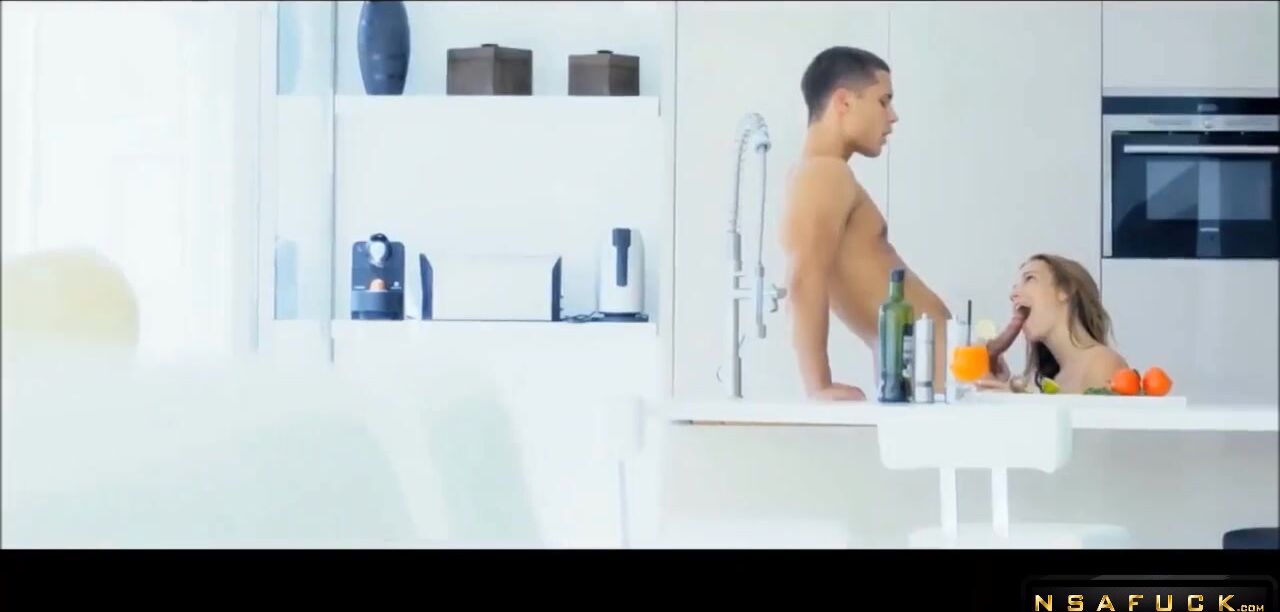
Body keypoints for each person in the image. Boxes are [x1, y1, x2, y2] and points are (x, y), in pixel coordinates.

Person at [780, 46, 952, 401]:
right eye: (883, 101)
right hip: (928, 380)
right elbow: (804, 278)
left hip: (927, 378)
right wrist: (819, 385)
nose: (893, 116)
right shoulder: (825, 173)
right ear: (844, 101)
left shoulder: (817, 174)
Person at [977, 254, 1130, 394]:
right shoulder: (1057, 380)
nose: (1013, 295)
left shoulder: (1102, 363)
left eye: (1029, 278)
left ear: (1065, 290)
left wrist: (1015, 403)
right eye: (1015, 287)